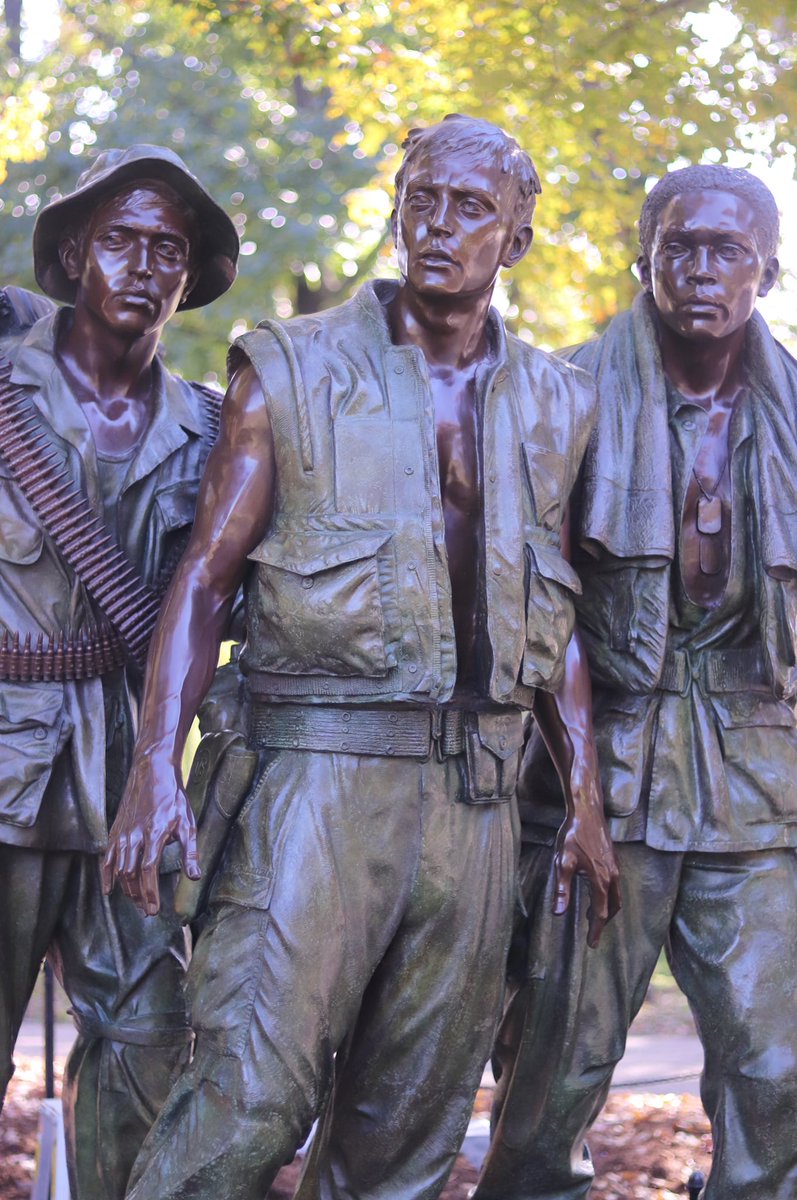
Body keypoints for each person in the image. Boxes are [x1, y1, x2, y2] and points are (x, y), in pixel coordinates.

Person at [103, 114, 618, 1200]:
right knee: (246, 1103)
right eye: (419, 199)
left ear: (515, 237)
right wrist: (155, 764)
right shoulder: (287, 369)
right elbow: (202, 577)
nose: (436, 227)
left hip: (473, 800)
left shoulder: (560, 401)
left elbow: (553, 610)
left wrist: (580, 797)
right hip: (315, 778)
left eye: (469, 208)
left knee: (407, 1132)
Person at [472, 164, 797, 1200]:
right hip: (600, 755)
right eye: (679, 249)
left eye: (726, 253)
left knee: (774, 1062)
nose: (701, 272)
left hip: (755, 767)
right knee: (554, 1062)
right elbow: (540, 601)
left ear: (767, 271)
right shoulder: (561, 394)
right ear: (643, 261)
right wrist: (576, 801)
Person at [0, 145, 238, 1200]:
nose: (143, 267)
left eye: (168, 250)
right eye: (120, 241)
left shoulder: (211, 428)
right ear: (71, 254)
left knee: (150, 1043)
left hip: (130, 774)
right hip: (1, 756)